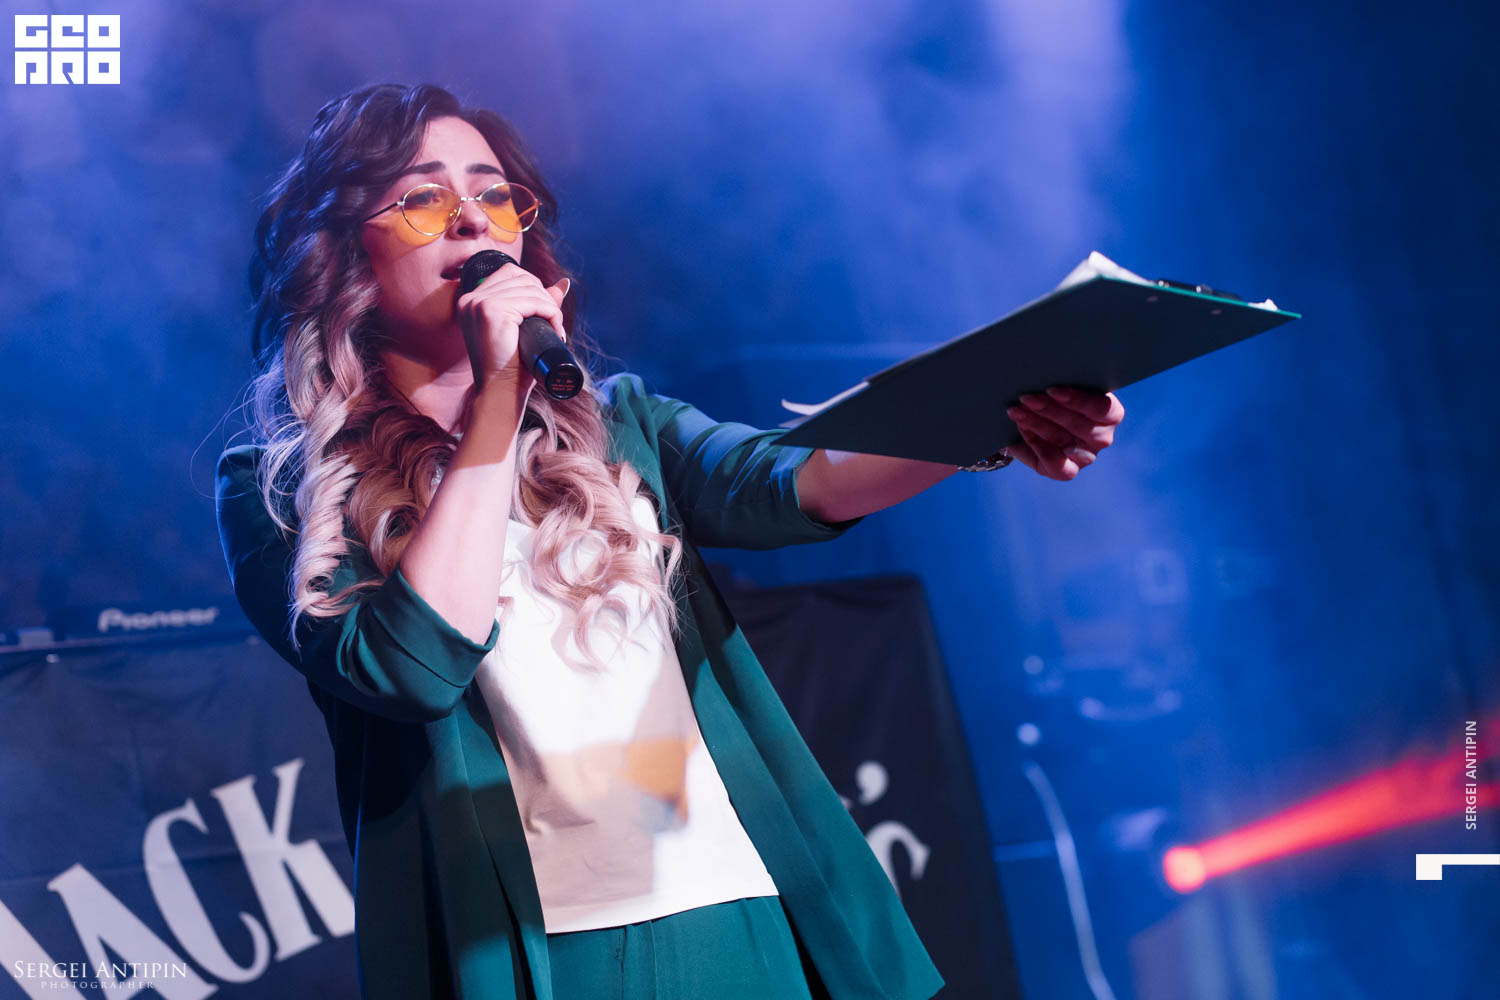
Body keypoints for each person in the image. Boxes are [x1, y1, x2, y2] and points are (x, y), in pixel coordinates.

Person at [215, 82, 1124, 1000]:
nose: (472, 220)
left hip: (732, 903)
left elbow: (799, 479)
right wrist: (496, 401)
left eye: (493, 193)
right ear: (345, 252)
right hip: (530, 949)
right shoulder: (282, 489)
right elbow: (410, 669)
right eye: (422, 196)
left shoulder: (621, 426)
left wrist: (992, 420)